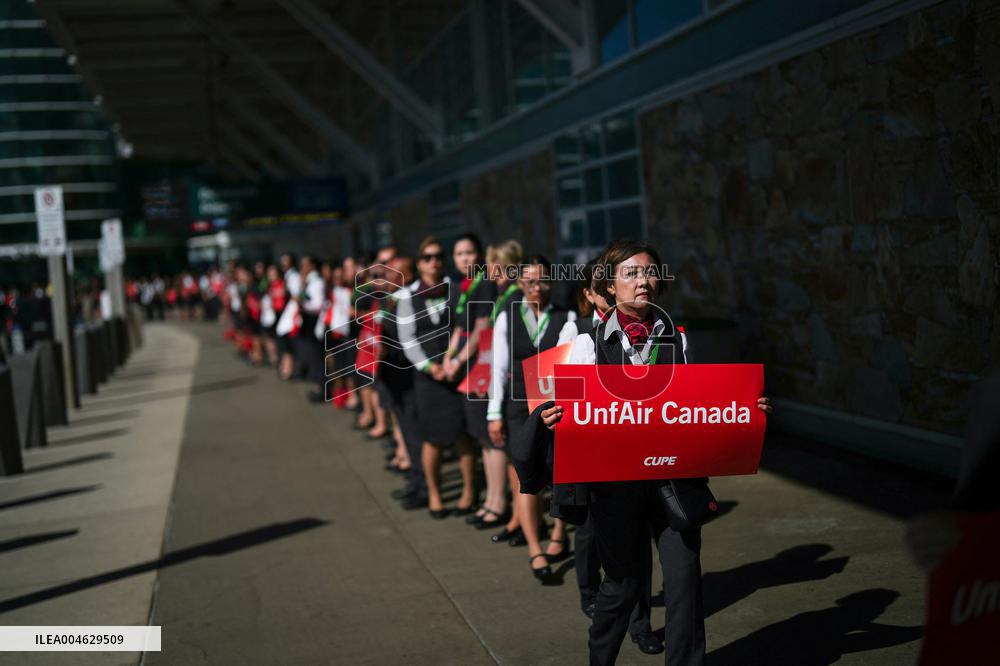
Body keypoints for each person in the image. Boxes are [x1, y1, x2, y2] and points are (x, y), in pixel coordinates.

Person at [545, 238, 772, 665]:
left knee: (685, 580)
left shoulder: (676, 338)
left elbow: (694, 405)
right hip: (614, 488)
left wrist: (744, 410)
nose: (643, 281)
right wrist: (553, 417)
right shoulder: (586, 344)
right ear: (610, 286)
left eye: (649, 272)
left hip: (673, 480)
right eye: (630, 274)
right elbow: (567, 410)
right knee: (624, 584)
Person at [487, 254, 576, 580]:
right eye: (529, 281)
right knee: (524, 479)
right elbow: (498, 368)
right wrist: (493, 413)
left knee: (561, 472)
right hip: (517, 407)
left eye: (542, 280)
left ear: (551, 281)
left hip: (556, 406)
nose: (536, 287)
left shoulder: (567, 316)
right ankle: (534, 549)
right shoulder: (506, 317)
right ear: (520, 284)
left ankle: (558, 535)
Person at [397, 236, 477, 519]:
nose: (435, 261)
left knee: (462, 437)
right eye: (428, 257)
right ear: (419, 264)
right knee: (432, 439)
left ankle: (469, 492)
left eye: (439, 256)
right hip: (428, 378)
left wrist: (453, 362)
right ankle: (434, 494)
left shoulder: (456, 290)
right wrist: (430, 367)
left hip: (457, 372)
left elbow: (466, 329)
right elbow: (407, 340)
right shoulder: (407, 296)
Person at [438, 234, 501, 528]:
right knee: (478, 434)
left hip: (482, 367)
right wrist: (449, 357)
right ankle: (490, 497)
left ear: (480, 255)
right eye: (459, 253)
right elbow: (459, 329)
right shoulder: (465, 287)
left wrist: (458, 360)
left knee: (489, 436)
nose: (464, 258)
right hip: (466, 366)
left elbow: (480, 330)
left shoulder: (484, 283)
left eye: (469, 252)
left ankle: (497, 501)